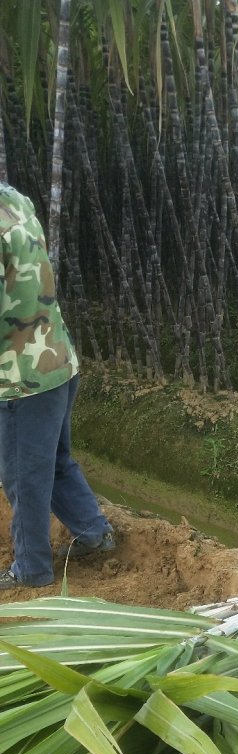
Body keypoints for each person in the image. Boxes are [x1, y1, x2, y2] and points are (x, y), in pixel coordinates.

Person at [0, 180, 114, 591]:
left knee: (24, 478)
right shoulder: (14, 199)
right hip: (58, 359)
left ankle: (31, 569)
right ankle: (93, 533)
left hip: (21, 379)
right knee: (56, 460)